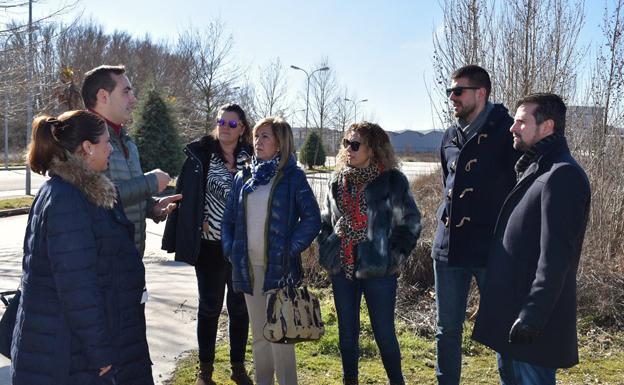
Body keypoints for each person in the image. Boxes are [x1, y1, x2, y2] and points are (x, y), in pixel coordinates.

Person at [11, 110, 153, 385]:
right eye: (105, 142)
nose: (111, 148)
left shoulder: (80, 192)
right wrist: (101, 354)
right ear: (87, 148)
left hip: (76, 348)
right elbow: (78, 289)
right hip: (70, 354)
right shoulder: (68, 200)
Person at [472, 93, 591, 385]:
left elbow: (556, 258)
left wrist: (533, 316)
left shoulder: (562, 175)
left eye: (521, 122)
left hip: (531, 326)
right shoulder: (536, 168)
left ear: (547, 126)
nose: (513, 128)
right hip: (511, 317)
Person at [431, 64, 520, 384]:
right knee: (447, 331)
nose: (451, 98)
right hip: (449, 249)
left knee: (501, 327)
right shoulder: (449, 136)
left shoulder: (508, 132)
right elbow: (448, 187)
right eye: (450, 92)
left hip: (491, 250)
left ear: (480, 93)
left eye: (458, 91)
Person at [317, 122, 421, 385]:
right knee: (346, 335)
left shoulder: (392, 181)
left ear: (373, 149)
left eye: (355, 144)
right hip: (343, 268)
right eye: (345, 144)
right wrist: (328, 248)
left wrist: (392, 258)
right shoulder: (337, 181)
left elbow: (411, 222)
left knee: (384, 334)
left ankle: (397, 381)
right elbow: (326, 222)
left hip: (379, 272)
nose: (348, 149)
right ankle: (349, 380)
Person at [222, 116, 321, 385]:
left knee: (281, 335)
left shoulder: (293, 177)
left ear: (280, 143)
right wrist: (231, 250)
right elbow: (228, 221)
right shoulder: (243, 176)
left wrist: (291, 247)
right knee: (259, 336)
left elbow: (312, 218)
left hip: (279, 268)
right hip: (248, 268)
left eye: (265, 136)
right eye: (256, 136)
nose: (257, 141)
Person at [162, 103, 253, 385]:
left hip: (242, 247)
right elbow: (185, 193)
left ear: (242, 129)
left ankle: (238, 368)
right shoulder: (201, 155)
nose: (224, 127)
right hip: (210, 244)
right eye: (220, 122)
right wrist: (194, 222)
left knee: (240, 308)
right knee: (210, 306)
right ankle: (206, 371)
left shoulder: (252, 158)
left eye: (231, 124)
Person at [81, 64, 181, 257]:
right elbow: (97, 198)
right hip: (102, 263)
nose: (134, 99)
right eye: (126, 92)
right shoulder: (84, 142)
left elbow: (125, 193)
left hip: (129, 261)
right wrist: (150, 182)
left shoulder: (127, 142)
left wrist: (152, 207)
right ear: (103, 96)